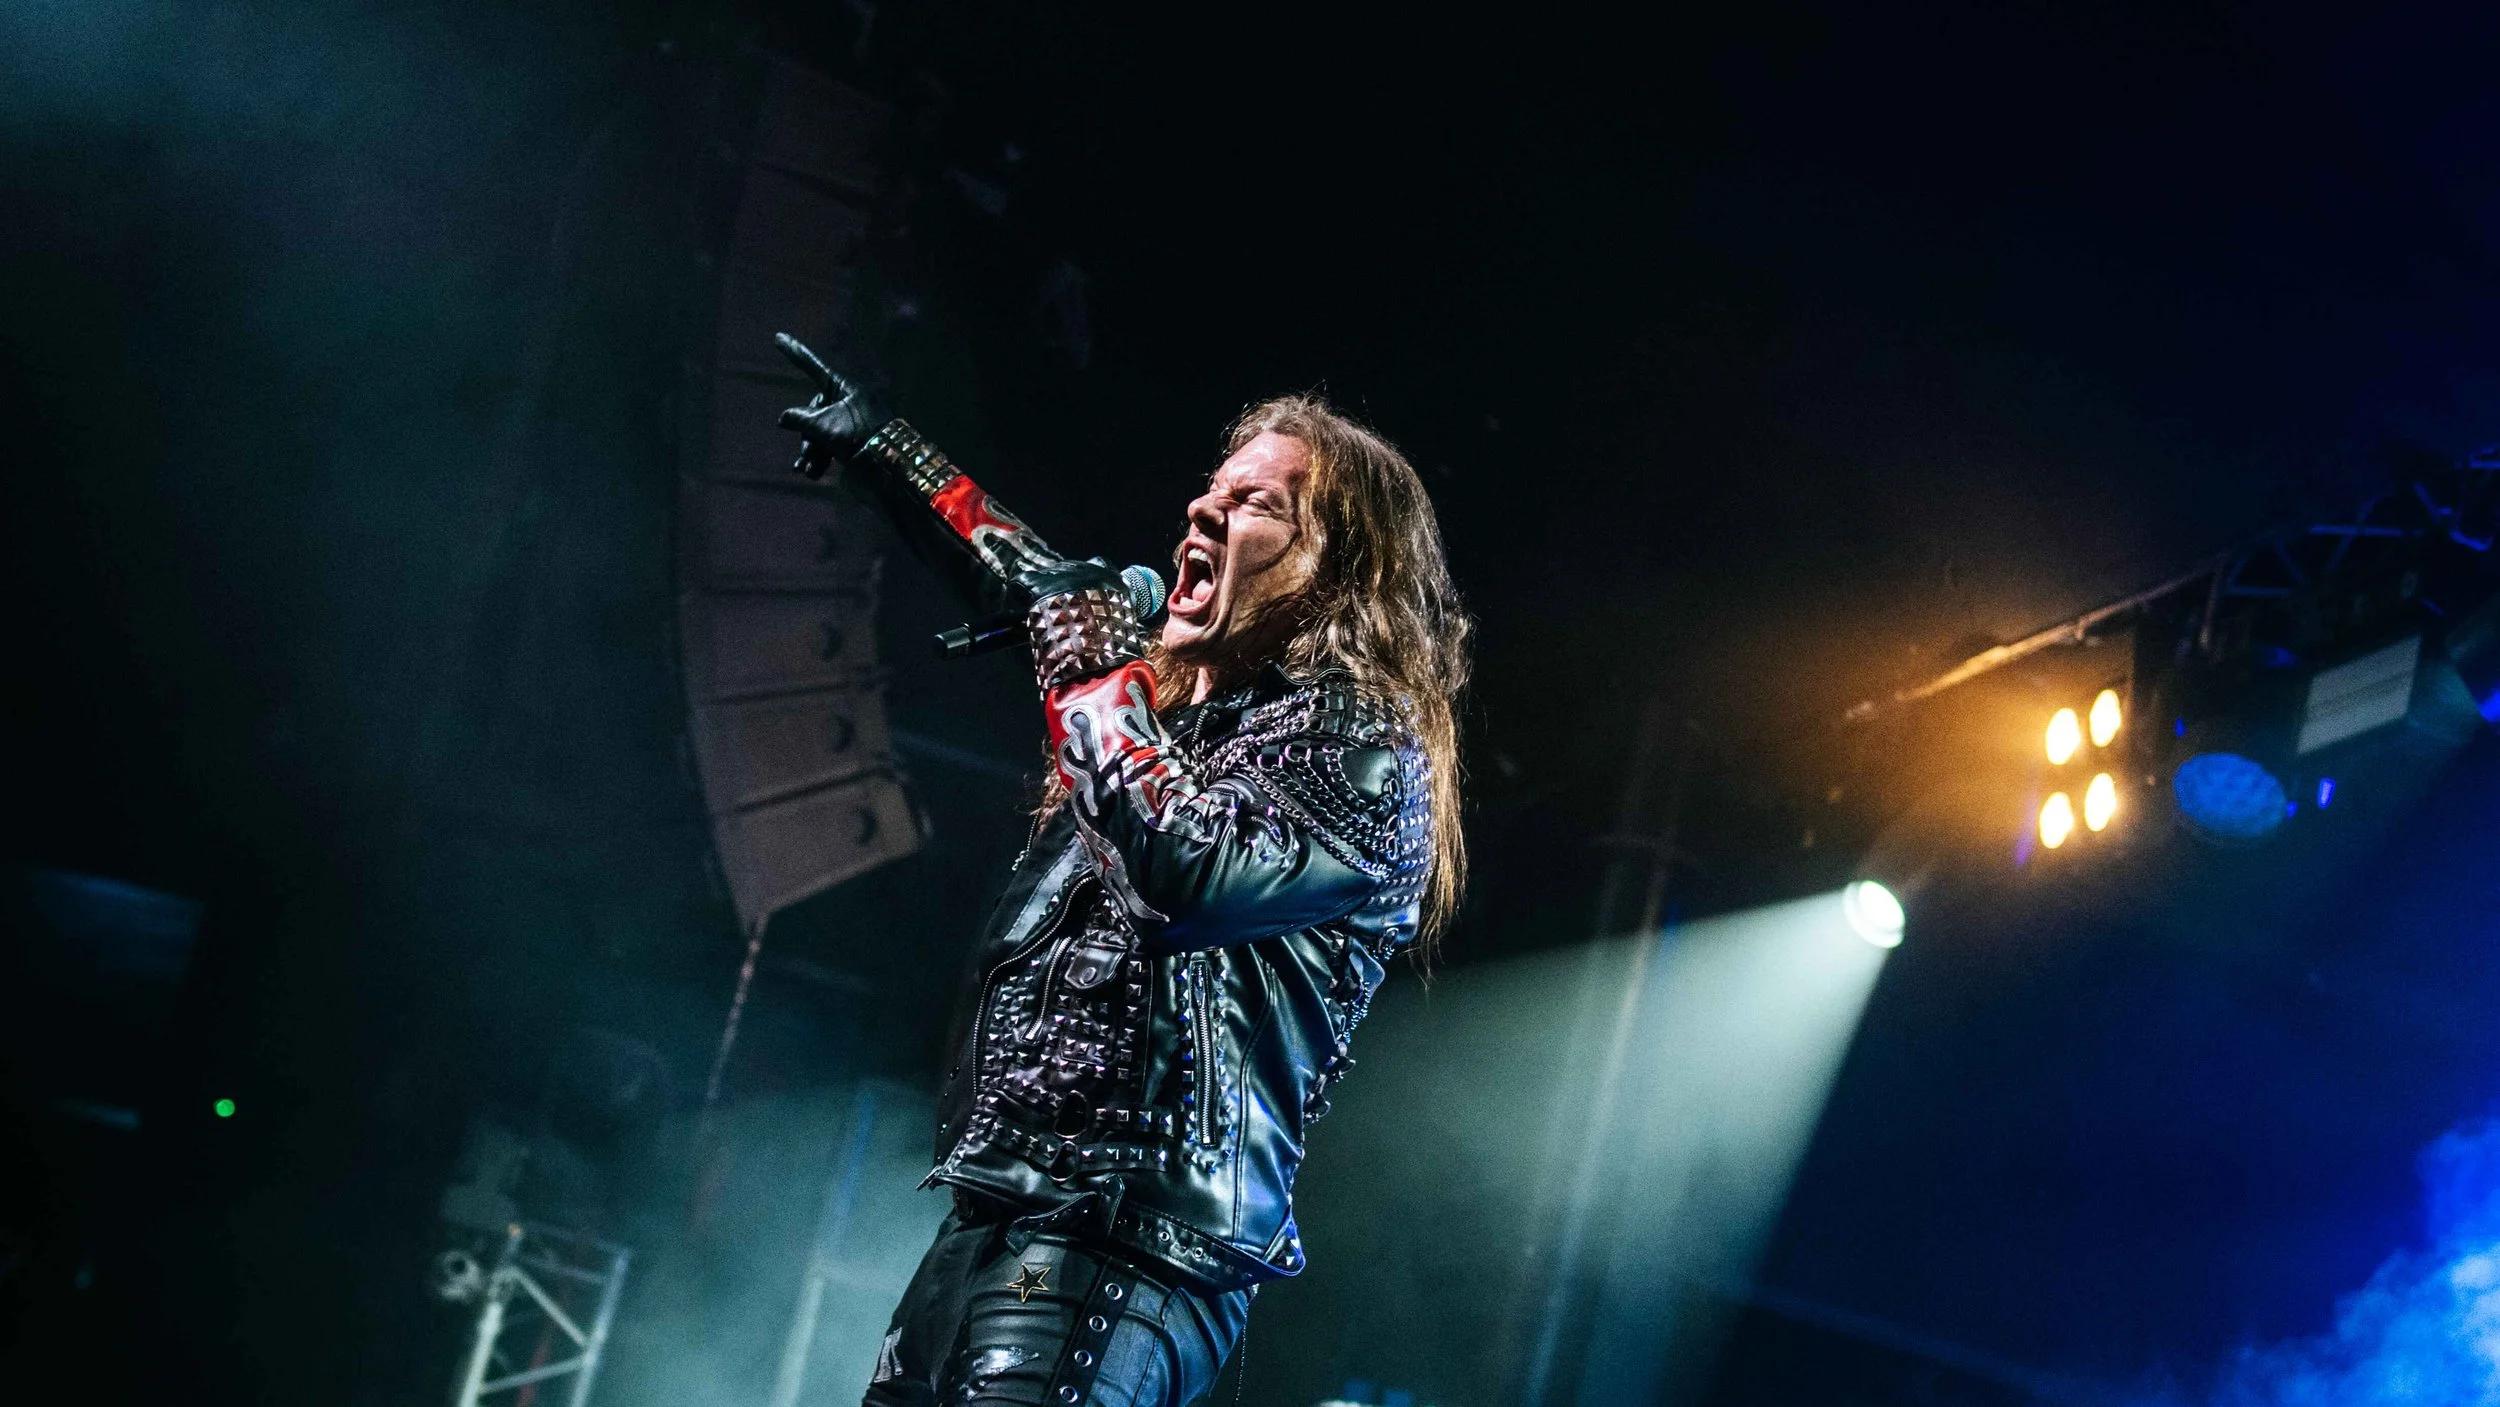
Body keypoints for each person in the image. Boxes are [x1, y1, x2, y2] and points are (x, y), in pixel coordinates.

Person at [778, 350, 1469, 1406]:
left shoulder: (1359, 750)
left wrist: (1099, 673)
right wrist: (888, 450)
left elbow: (1182, 870)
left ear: (1332, 570)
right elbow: (1037, 587)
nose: (1202, 507)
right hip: (1002, 1223)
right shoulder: (1174, 713)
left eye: (1252, 503)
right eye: (1211, 485)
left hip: (1124, 1252)